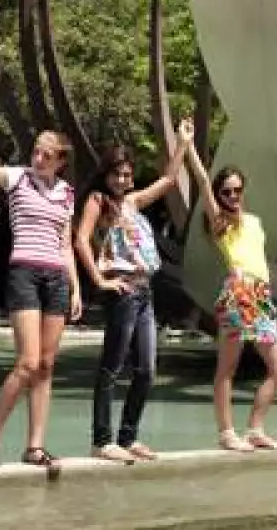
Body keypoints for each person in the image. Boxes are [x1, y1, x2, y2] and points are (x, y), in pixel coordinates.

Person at [0, 127, 83, 472]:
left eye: (47, 155)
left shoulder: (67, 193)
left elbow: (65, 244)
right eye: (36, 151)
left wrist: (76, 287)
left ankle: (35, 446)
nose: (38, 158)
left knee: (46, 365)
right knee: (27, 363)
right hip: (24, 273)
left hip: (56, 278)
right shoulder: (17, 178)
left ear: (60, 161)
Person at [73, 121, 191, 463]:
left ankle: (128, 437)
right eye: (116, 174)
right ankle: (101, 440)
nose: (122, 180)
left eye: (127, 174)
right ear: (106, 175)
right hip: (122, 290)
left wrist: (182, 144)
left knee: (147, 369)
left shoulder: (133, 202)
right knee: (111, 366)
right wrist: (99, 280)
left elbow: (168, 181)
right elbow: (81, 240)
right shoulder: (98, 200)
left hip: (144, 291)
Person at [183, 135, 277, 451]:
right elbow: (203, 182)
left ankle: (255, 429)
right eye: (226, 192)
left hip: (261, 297)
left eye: (237, 190)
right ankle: (227, 433)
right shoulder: (221, 225)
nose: (232, 196)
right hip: (237, 294)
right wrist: (189, 146)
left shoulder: (254, 222)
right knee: (227, 368)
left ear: (244, 191)